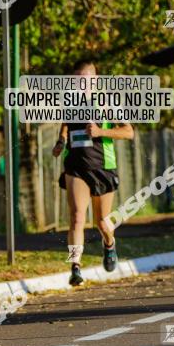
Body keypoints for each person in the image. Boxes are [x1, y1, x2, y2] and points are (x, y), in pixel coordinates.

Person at [53, 60, 134, 286]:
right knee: (77, 217)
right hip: (76, 166)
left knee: (101, 222)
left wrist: (100, 130)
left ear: (94, 80)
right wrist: (61, 141)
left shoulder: (107, 102)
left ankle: (109, 244)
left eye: (84, 81)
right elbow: (66, 124)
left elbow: (129, 132)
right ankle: (75, 267)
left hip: (102, 167)